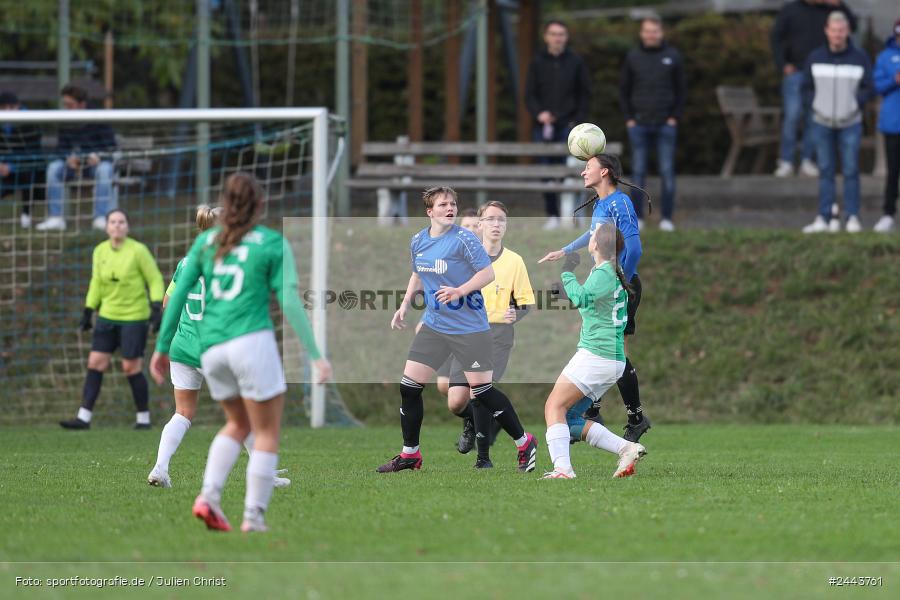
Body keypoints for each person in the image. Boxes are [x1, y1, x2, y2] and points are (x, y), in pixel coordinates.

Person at [150, 172, 331, 533]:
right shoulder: (268, 242)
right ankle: (253, 516)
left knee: (237, 423)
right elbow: (290, 301)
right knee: (265, 429)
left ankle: (209, 497)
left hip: (209, 348)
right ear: (259, 206)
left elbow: (173, 301)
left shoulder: (201, 248)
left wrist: (160, 347)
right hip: (249, 343)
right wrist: (314, 353)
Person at [377, 186, 538, 473]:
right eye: (442, 205)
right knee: (409, 386)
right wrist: (404, 305)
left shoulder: (465, 238)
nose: (450, 208)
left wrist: (459, 291)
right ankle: (410, 454)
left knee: (483, 392)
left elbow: (487, 273)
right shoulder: (418, 240)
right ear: (430, 212)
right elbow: (418, 272)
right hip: (435, 326)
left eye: (452, 204)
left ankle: (525, 442)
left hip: (470, 329)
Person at [146, 205, 289, 489]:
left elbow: (167, 303)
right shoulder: (227, 262)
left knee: (182, 412)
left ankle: (160, 468)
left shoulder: (187, 261)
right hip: (210, 348)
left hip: (181, 346)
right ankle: (265, 476)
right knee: (246, 414)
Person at [539, 154, 651, 444]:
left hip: (620, 284)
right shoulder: (601, 204)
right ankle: (604, 412)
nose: (582, 173)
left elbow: (634, 246)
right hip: (607, 283)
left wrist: (621, 280)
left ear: (604, 172)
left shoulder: (620, 202)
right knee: (604, 348)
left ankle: (631, 416)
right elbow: (593, 235)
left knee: (611, 349)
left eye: (587, 168)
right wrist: (564, 250)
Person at [542, 223, 647, 479]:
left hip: (597, 354)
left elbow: (583, 299)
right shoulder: (611, 271)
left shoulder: (604, 273)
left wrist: (567, 273)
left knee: (553, 407)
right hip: (610, 359)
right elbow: (590, 305)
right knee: (570, 418)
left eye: (591, 236)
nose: (588, 238)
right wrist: (568, 291)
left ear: (595, 245)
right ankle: (626, 448)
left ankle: (563, 470)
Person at [445, 201, 535, 468]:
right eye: (491, 220)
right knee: (455, 401)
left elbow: (526, 302)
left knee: (478, 391)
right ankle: (477, 421)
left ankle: (483, 458)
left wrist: (515, 314)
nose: (497, 225)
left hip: (497, 335)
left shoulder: (515, 261)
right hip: (465, 334)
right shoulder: (463, 258)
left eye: (502, 221)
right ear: (480, 224)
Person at [60, 209, 164, 430]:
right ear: (107, 227)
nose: (117, 225)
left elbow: (154, 279)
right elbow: (96, 282)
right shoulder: (100, 251)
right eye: (113, 222)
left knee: (130, 367)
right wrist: (89, 309)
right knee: (95, 363)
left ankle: (143, 419)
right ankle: (84, 417)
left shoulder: (138, 251)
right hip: (107, 316)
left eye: (121, 222)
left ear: (127, 226)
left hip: (134, 318)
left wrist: (156, 306)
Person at [801, 11, 873, 234]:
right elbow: (806, 88)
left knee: (851, 170)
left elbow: (868, 88)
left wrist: (855, 103)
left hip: (850, 122)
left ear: (847, 32)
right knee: (825, 170)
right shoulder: (815, 57)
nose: (838, 35)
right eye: (834, 31)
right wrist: (815, 105)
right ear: (827, 31)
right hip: (821, 122)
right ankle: (824, 217)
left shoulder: (860, 57)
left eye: (841, 31)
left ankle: (852, 216)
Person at [771, 0, 857, 178]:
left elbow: (851, 26)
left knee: (814, 117)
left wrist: (839, 4)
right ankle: (786, 161)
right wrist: (783, 64)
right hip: (795, 72)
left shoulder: (829, 10)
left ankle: (807, 160)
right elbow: (776, 38)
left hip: (820, 73)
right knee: (792, 116)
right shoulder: (790, 10)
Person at [619, 15, 685, 232]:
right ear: (641, 33)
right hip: (639, 124)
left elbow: (681, 90)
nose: (651, 35)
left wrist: (674, 117)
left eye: (655, 31)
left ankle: (667, 217)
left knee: (667, 172)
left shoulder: (672, 56)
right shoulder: (633, 57)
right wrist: (629, 118)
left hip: (666, 124)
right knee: (638, 172)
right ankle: (638, 218)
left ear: (661, 32)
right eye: (647, 31)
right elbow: (624, 90)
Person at [525, 20, 591, 230]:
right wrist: (539, 113)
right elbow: (529, 95)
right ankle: (552, 214)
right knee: (546, 171)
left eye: (561, 34)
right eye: (553, 34)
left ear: (566, 37)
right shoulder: (537, 62)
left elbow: (584, 94)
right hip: (543, 126)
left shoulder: (576, 62)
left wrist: (577, 120)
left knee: (573, 171)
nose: (557, 38)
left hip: (569, 126)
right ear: (546, 37)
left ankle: (574, 215)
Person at [36, 84, 117, 232]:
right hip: (73, 166)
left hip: (94, 166)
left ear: (82, 104)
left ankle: (101, 217)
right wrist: (68, 158)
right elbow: (60, 148)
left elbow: (111, 147)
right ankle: (56, 218)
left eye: (70, 105)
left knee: (105, 169)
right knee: (54, 168)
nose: (67, 108)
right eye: (65, 104)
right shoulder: (65, 120)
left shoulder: (99, 117)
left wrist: (98, 156)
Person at [0, 91, 43, 229]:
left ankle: (26, 215)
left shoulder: (29, 123)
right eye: (3, 107)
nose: (7, 111)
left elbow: (32, 154)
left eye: (11, 107)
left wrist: (11, 167)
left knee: (27, 176)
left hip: (29, 168)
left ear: (17, 106)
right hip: (5, 167)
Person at [873, 18, 900, 233]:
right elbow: (877, 85)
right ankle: (888, 213)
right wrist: (895, 80)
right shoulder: (884, 57)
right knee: (893, 173)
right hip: (893, 124)